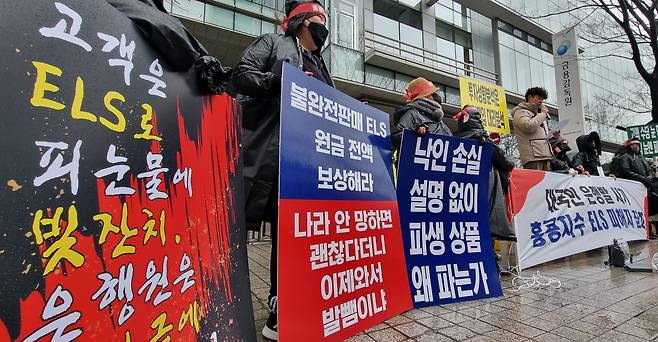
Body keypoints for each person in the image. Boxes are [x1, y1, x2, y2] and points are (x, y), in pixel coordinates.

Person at [231, 1, 332, 340]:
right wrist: (281, 80)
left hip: (307, 162)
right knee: (244, 228)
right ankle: (225, 304)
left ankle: (287, 303)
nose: (324, 25)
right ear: (303, 21)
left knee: (295, 236)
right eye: (320, 18)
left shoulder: (320, 63)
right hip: (273, 154)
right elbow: (242, 75)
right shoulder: (272, 43)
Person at [454, 105, 516, 241]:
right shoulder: (483, 140)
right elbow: (504, 162)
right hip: (486, 187)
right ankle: (490, 257)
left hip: (463, 190)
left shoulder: (454, 140)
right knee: (487, 224)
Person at [391, 77, 451, 153]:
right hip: (414, 163)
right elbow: (394, 139)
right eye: (432, 93)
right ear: (425, 97)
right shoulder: (412, 114)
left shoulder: (439, 121)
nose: (436, 96)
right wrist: (414, 132)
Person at [512, 87, 553, 170]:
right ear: (530, 97)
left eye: (542, 99)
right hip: (533, 157)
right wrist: (542, 114)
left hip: (544, 155)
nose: (541, 101)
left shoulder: (539, 114)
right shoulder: (521, 112)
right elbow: (528, 126)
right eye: (539, 98)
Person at [618, 138, 658, 216]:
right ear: (629, 146)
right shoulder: (625, 157)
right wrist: (642, 178)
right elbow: (626, 171)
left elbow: (651, 170)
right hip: (635, 188)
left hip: (647, 187)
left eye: (638, 145)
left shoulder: (641, 158)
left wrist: (650, 176)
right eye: (634, 145)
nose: (637, 147)